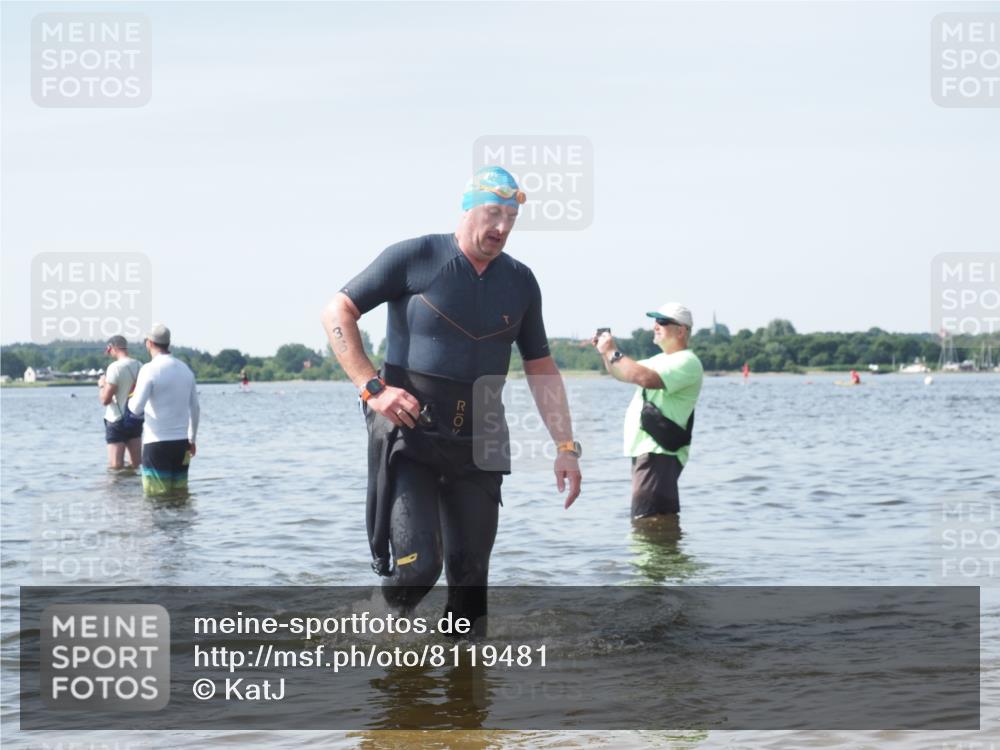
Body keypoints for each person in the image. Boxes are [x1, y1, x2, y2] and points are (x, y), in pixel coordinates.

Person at [321, 165, 582, 633]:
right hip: (412, 432)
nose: (501, 227)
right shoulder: (417, 256)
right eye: (492, 213)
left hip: (480, 437)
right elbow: (337, 311)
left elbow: (540, 366)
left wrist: (565, 447)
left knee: (471, 589)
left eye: (510, 217)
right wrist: (371, 387)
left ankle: (463, 696)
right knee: (419, 570)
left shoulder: (520, 281)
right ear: (467, 209)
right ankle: (380, 637)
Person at [594, 303, 703, 519]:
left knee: (648, 525)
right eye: (655, 321)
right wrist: (603, 352)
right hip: (650, 454)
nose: (655, 326)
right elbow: (621, 373)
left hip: (659, 454)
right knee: (652, 526)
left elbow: (645, 378)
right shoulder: (657, 360)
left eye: (662, 322)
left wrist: (612, 351)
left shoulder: (687, 361)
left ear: (681, 330)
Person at [127, 324, 200, 496]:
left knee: (156, 500)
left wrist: (131, 396)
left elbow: (136, 409)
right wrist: (192, 440)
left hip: (156, 444)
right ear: (168, 343)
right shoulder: (185, 370)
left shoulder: (149, 369)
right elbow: (195, 409)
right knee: (180, 497)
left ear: (149, 343)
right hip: (182, 444)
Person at [97, 335, 143, 470]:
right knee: (136, 466)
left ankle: (118, 491)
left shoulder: (114, 368)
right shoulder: (139, 365)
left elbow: (105, 400)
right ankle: (133, 491)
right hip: (134, 419)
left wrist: (101, 385)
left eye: (109, 350)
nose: (109, 353)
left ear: (112, 348)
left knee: (115, 468)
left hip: (116, 420)